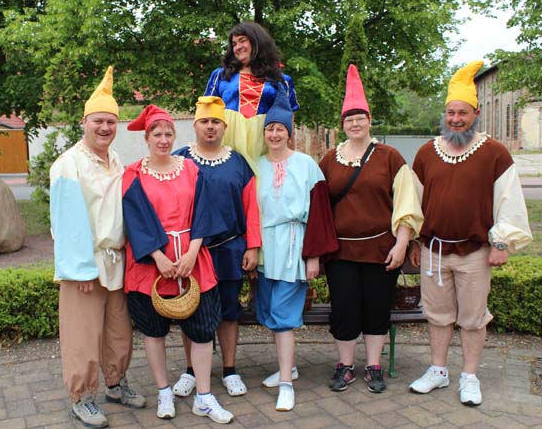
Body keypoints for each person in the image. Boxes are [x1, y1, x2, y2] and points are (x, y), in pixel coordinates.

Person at [408, 60, 532, 406]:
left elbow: (509, 200)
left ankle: (470, 376)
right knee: (437, 315)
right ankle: (438, 370)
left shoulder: (494, 153)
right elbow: (414, 201)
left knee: (473, 318)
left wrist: (501, 242)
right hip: (434, 251)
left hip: (475, 252)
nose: (456, 119)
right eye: (451, 113)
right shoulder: (427, 153)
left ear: (476, 114)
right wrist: (415, 240)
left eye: (462, 113)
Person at [121, 104, 234, 424]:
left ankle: (204, 397)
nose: (163, 139)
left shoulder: (191, 169)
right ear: (147, 138)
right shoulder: (133, 173)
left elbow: (204, 212)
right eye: (157, 134)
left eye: (168, 133)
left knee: (202, 330)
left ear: (174, 136)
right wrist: (158, 256)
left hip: (192, 260)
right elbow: (134, 219)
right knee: (153, 331)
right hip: (150, 265)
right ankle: (164, 392)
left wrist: (193, 252)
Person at [49, 66, 145, 429]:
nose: (104, 128)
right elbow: (66, 222)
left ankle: (116, 384)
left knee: (118, 332)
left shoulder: (117, 161)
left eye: (110, 122)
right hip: (85, 266)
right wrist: (80, 271)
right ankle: (82, 396)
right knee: (82, 337)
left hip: (115, 262)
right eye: (98, 121)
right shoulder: (69, 165)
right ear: (84, 122)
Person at [318, 64, 423, 394]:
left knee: (377, 308)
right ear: (343, 124)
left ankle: (374, 365)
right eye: (349, 118)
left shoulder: (390, 157)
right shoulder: (330, 160)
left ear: (369, 120)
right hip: (341, 251)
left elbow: (406, 203)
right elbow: (318, 207)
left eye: (360, 117)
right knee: (344, 309)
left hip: (381, 249)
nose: (355, 123)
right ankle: (345, 366)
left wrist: (402, 243)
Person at [171, 96, 261, 398]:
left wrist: (252, 247)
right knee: (189, 310)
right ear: (195, 126)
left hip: (229, 249)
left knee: (228, 311)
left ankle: (230, 369)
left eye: (215, 122)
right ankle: (191, 370)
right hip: (191, 254)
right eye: (204, 121)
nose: (210, 127)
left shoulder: (238, 163)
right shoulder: (180, 160)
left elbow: (251, 208)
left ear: (224, 127)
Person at [255, 89, 339, 411]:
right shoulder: (257, 165)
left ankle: (286, 386)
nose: (275, 134)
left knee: (283, 316)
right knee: (267, 311)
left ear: (289, 133)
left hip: (293, 246)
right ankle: (287, 368)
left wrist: (313, 255)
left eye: (280, 129)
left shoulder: (306, 165)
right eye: (270, 129)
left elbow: (319, 213)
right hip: (266, 248)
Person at [204, 21, 299, 176]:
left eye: (242, 41)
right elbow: (206, 114)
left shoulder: (281, 80)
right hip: (227, 147)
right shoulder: (220, 76)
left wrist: (289, 160)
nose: (237, 47)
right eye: (234, 44)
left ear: (256, 42)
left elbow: (288, 122)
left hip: (264, 148)